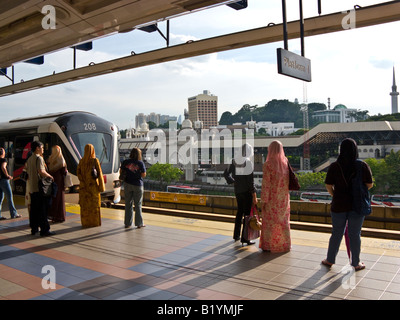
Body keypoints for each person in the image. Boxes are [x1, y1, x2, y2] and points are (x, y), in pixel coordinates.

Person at [322, 138, 373, 271]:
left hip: (339, 204)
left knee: (336, 233)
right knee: (354, 234)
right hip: (357, 205)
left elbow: (328, 185)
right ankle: (356, 262)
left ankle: (330, 259)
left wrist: (335, 195)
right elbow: (369, 184)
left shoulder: (335, 166)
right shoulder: (362, 165)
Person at [259, 140, 291, 253]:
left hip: (272, 199)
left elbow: (266, 184)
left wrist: (263, 201)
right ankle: (285, 244)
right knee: (283, 221)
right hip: (284, 198)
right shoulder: (285, 162)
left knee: (269, 222)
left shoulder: (268, 165)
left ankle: (268, 245)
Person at [224, 143, 257, 245]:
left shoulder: (233, 161)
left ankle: (236, 235)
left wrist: (233, 181)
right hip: (247, 192)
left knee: (239, 213)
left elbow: (225, 173)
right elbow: (250, 182)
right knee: (247, 215)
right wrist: (254, 195)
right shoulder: (248, 163)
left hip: (238, 191)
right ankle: (245, 238)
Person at [26, 141, 55, 236]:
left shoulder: (30, 159)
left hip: (33, 187)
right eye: (42, 147)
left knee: (34, 210)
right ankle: (44, 230)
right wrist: (50, 176)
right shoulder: (39, 158)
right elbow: (41, 171)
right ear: (37, 148)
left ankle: (34, 229)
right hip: (40, 188)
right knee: (43, 210)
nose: (43, 149)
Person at [77, 144, 105, 228]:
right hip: (93, 188)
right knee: (94, 206)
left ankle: (85, 222)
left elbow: (78, 173)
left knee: (85, 206)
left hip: (83, 188)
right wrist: (101, 187)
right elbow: (99, 174)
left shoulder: (81, 161)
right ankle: (94, 222)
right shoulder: (94, 160)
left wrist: (82, 181)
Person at [120, 147, 146, 228]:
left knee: (128, 204)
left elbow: (121, 172)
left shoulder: (125, 162)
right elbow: (143, 175)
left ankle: (127, 223)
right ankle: (139, 224)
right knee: (138, 204)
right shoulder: (140, 163)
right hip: (137, 185)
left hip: (127, 184)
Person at [47, 145, 67, 223]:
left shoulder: (50, 159)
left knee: (54, 198)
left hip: (51, 181)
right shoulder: (61, 159)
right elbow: (64, 171)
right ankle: (60, 216)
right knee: (60, 199)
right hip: (59, 181)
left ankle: (53, 216)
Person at [0, 148, 21, 220]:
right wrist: (7, 175)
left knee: (0, 198)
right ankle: (13, 213)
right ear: (3, 153)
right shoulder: (3, 160)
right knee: (9, 197)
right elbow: (3, 167)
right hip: (4, 181)